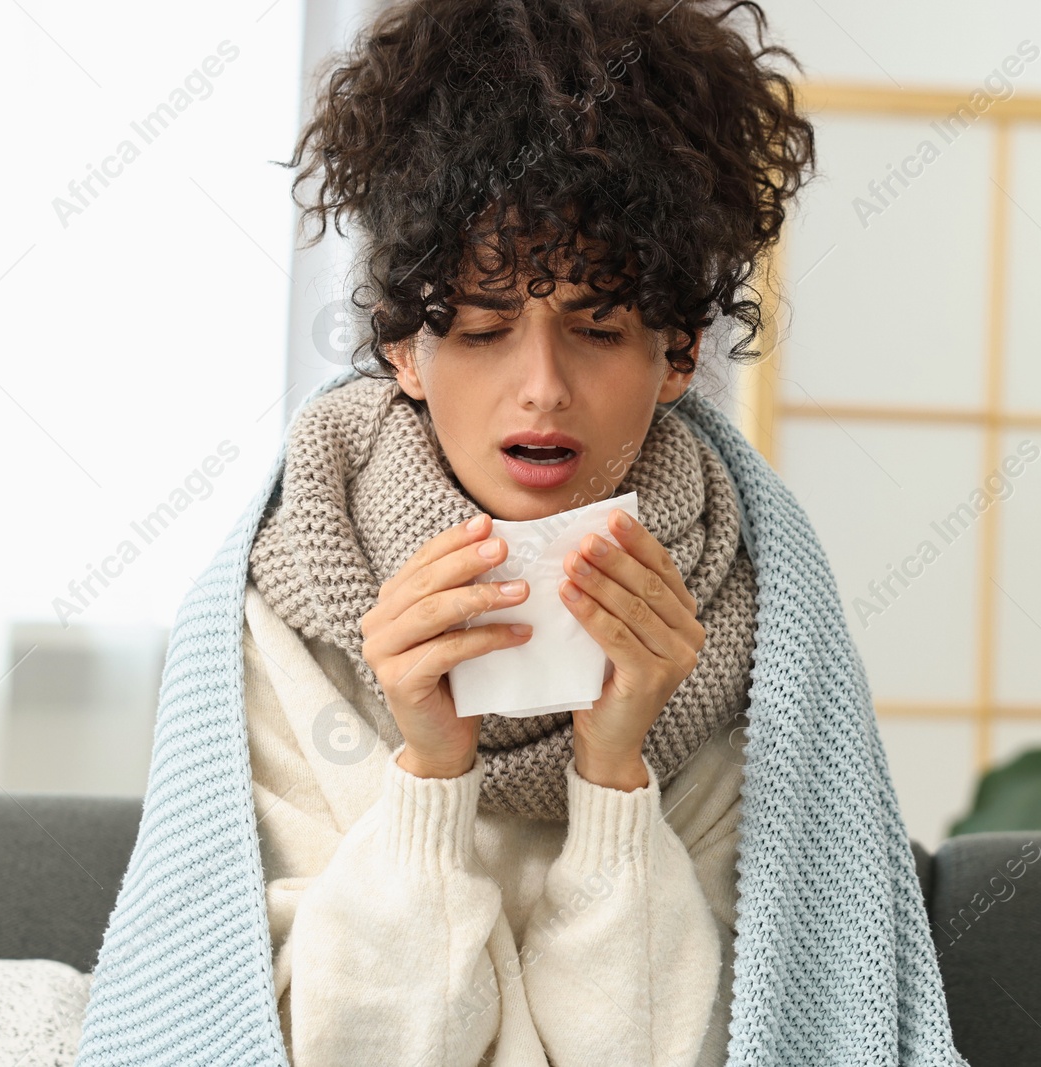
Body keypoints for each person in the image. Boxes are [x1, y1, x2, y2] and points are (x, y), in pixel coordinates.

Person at [238, 1, 817, 1063]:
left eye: (598, 329)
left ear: (679, 355)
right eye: (485, 328)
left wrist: (613, 770)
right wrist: (429, 766)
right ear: (405, 350)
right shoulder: (288, 605)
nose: (541, 390)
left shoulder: (751, 631)